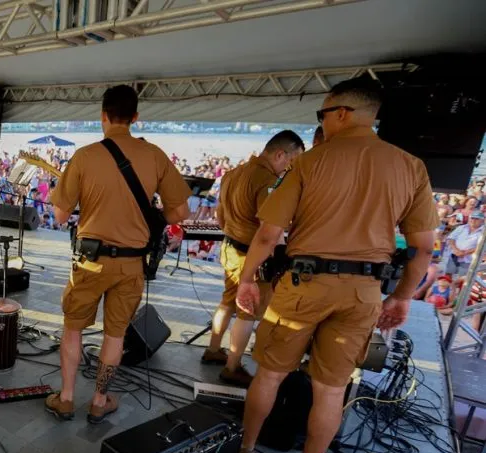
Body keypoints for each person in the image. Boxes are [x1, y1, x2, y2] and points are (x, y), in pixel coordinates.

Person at [234, 77, 436, 453]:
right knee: (331, 389)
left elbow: (270, 234)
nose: (321, 123)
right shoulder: (410, 166)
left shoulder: (309, 163)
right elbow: (422, 249)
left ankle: (247, 448)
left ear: (341, 113)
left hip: (303, 285)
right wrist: (401, 298)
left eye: (321, 114)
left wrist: (248, 278)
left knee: (270, 374)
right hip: (364, 294)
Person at [46, 85, 192, 424]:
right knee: (115, 335)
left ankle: (65, 398)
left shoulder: (84, 156)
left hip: (89, 261)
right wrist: (152, 216)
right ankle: (99, 400)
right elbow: (180, 211)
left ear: (102, 116)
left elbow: (58, 216)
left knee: (72, 329)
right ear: (135, 118)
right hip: (131, 264)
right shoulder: (155, 155)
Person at [202, 131, 306, 387]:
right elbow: (268, 228)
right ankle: (232, 366)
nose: (290, 168)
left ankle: (214, 349)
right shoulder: (268, 181)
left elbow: (220, 218)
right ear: (280, 154)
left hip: (230, 248)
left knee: (227, 302)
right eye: (291, 161)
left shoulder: (232, 174)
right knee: (248, 311)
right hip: (253, 257)